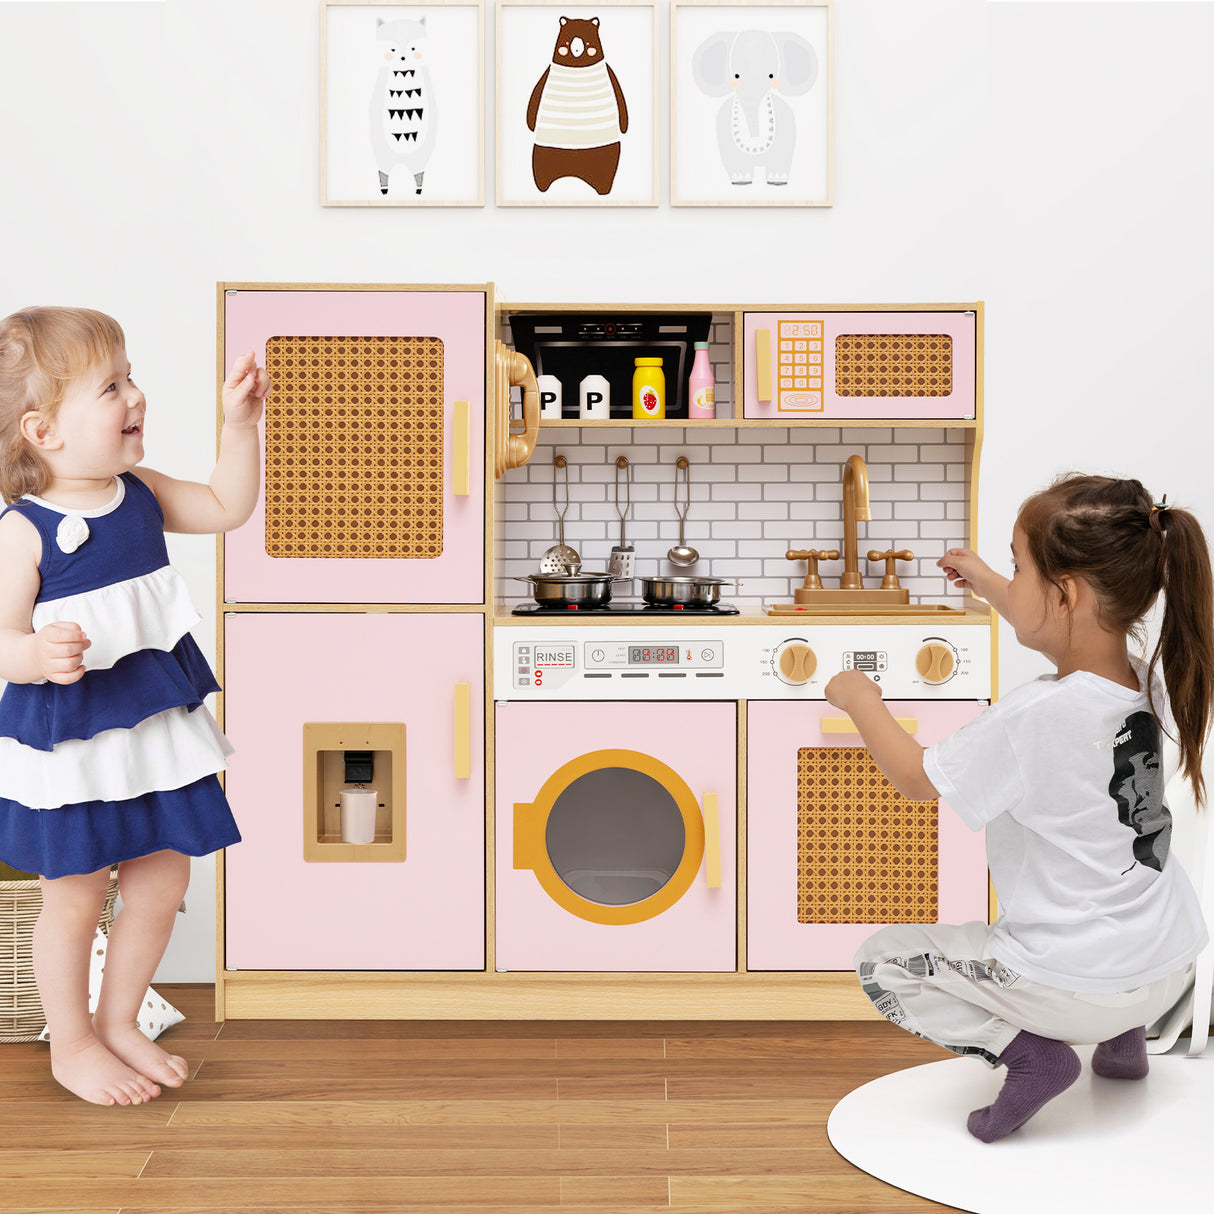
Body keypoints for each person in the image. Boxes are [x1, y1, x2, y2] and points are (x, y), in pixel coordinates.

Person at [824, 473, 1213, 1143]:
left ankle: (1031, 1057)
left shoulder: (1034, 716)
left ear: (1064, 593)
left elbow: (918, 778)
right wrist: (984, 579)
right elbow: (1060, 623)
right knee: (1115, 872)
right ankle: (1124, 1043)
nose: (1011, 576)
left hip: (1073, 985)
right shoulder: (1150, 674)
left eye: (1017, 563)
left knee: (882, 962)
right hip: (1166, 966)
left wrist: (860, 699)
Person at [0, 307, 269, 1106]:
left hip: (153, 726)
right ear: (43, 430)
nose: (136, 396)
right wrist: (34, 655)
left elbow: (225, 507)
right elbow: (1, 636)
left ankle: (119, 1021)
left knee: (160, 878)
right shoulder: (24, 531)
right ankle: (72, 1041)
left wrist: (238, 427)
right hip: (77, 741)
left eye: (131, 376)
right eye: (111, 386)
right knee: (76, 893)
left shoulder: (142, 493)